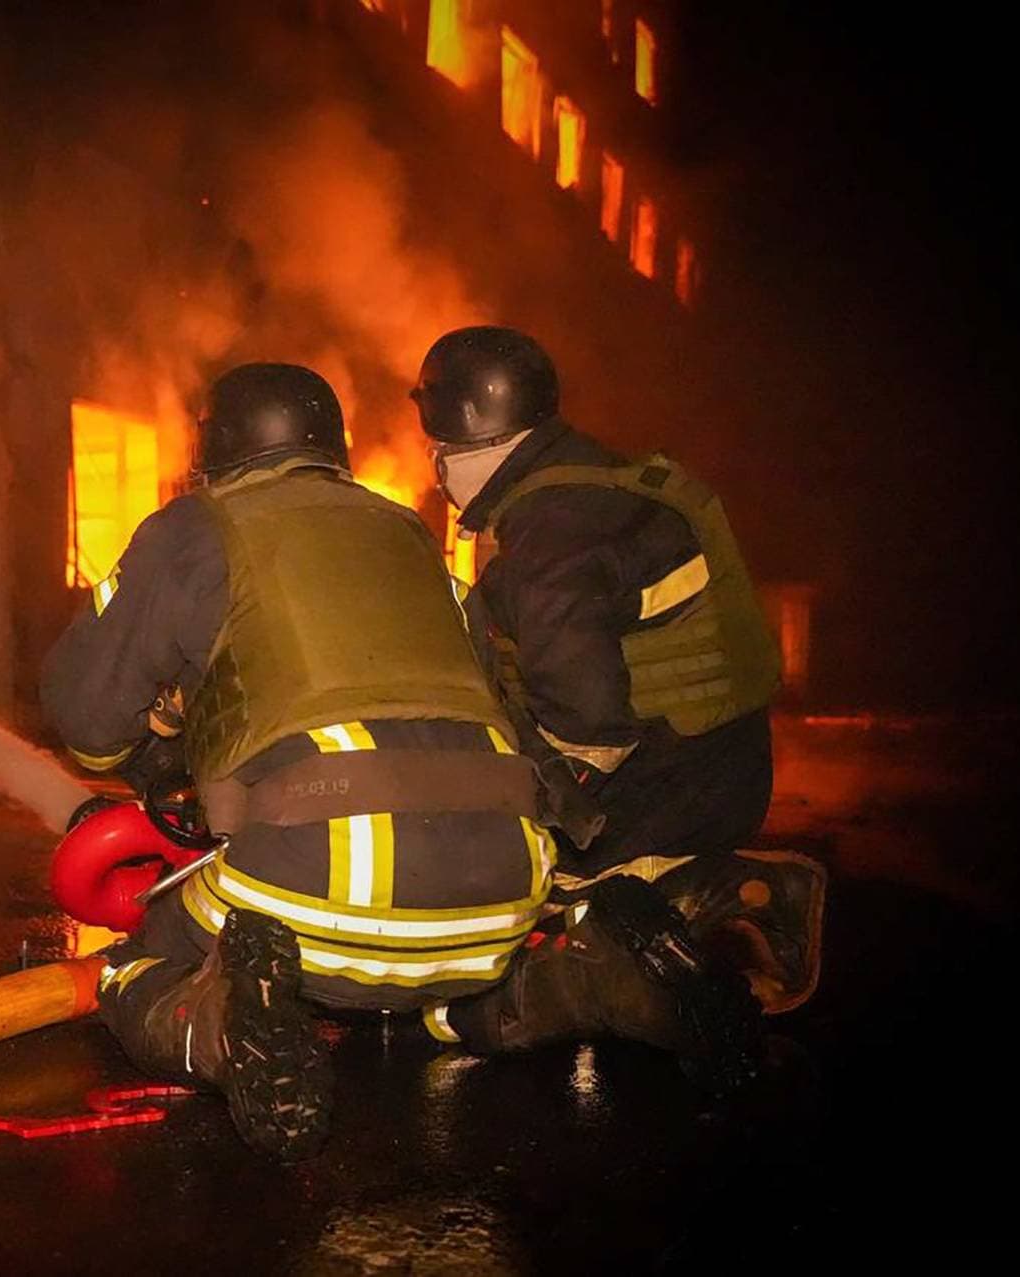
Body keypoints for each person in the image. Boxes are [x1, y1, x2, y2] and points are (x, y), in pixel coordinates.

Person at [41, 363, 762, 1162]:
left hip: (316, 872)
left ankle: (220, 1027)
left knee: (141, 958)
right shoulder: (412, 535)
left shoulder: (193, 526)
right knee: (438, 999)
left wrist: (170, 728)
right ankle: (601, 983)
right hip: (503, 880)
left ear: (213, 450)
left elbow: (87, 723)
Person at [410, 325, 824, 1014]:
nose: (435, 463)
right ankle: (692, 900)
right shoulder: (580, 484)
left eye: (441, 447)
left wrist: (525, 812)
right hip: (716, 753)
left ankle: (747, 888)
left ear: (476, 435)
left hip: (682, 779)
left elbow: (589, 719)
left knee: (529, 876)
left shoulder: (548, 540)